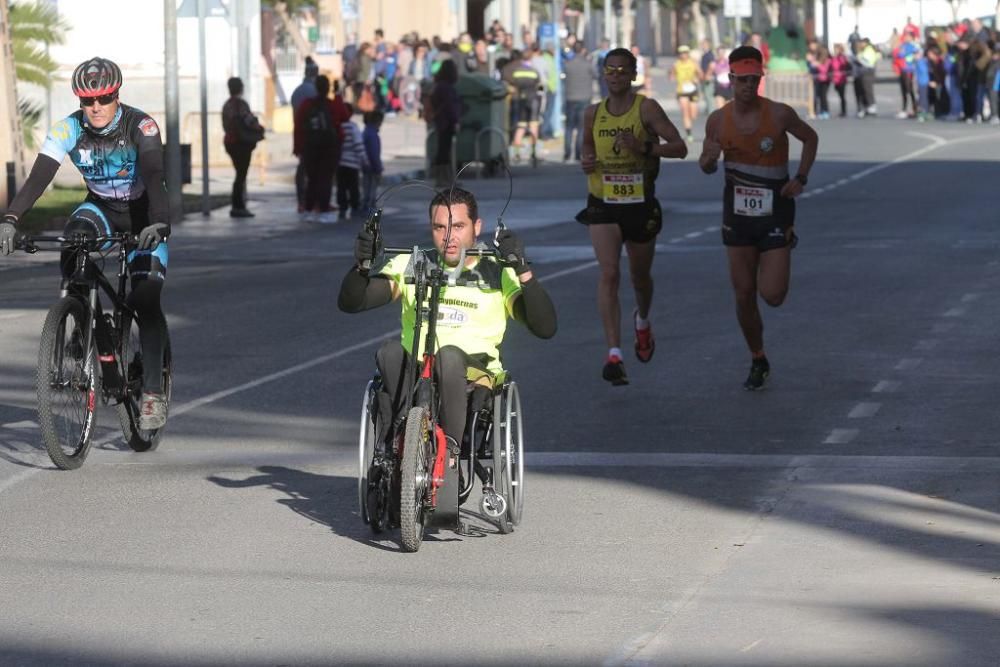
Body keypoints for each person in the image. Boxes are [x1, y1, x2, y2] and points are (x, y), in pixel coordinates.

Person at [0, 57, 171, 428]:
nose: (95, 107)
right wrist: (11, 219)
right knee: (73, 241)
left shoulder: (140, 124)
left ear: (116, 95)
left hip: (143, 214)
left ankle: (154, 393)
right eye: (86, 101)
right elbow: (38, 178)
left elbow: (155, 174)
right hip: (102, 209)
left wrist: (159, 222)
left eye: (104, 99)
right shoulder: (68, 129)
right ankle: (80, 316)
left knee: (145, 298)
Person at [337, 187, 557, 454]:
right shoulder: (413, 263)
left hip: (473, 376)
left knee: (448, 356)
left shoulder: (497, 272)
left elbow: (545, 328)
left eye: (459, 226)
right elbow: (353, 302)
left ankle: (450, 455)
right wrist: (362, 265)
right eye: (440, 227)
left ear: (477, 227)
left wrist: (521, 269)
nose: (448, 237)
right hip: (416, 375)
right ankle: (401, 441)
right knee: (388, 352)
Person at [698, 46, 818, 390]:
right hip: (736, 216)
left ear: (760, 79)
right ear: (731, 79)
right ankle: (757, 357)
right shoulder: (717, 120)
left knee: (773, 295)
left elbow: (810, 138)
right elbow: (706, 165)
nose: (748, 86)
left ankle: (784, 243)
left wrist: (802, 177)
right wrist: (708, 160)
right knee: (743, 294)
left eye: (754, 80)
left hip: (776, 210)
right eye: (742, 80)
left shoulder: (779, 114)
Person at [577, 47, 688, 386]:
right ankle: (614, 353)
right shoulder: (592, 114)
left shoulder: (647, 109)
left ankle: (642, 320)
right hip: (603, 201)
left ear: (633, 75)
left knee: (640, 277)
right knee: (609, 273)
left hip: (639, 203)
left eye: (622, 70)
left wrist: (645, 148)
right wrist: (587, 160)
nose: (615, 76)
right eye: (610, 70)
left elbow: (679, 147)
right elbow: (587, 147)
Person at [294, 75, 349, 223]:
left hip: (310, 147)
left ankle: (308, 209)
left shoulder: (306, 105)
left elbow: (298, 127)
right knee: (326, 179)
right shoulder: (332, 105)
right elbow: (345, 116)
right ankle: (324, 210)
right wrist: (337, 94)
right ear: (328, 88)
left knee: (312, 179)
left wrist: (298, 148)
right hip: (330, 148)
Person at [222, 77, 265, 218]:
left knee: (239, 174)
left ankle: (238, 205)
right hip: (241, 144)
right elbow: (250, 121)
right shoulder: (241, 105)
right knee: (241, 175)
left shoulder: (227, 105)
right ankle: (238, 206)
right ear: (240, 88)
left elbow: (225, 125)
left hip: (230, 143)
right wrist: (260, 129)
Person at [290, 57, 320, 217]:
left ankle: (301, 201)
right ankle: (311, 201)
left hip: (299, 133)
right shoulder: (313, 92)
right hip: (312, 135)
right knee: (312, 169)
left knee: (302, 167)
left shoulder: (297, 91)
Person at [502, 50, 543, 162]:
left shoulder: (517, 72)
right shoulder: (534, 72)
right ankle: (533, 153)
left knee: (521, 126)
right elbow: (540, 87)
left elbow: (513, 84)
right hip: (533, 100)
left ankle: (516, 153)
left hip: (521, 100)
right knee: (533, 126)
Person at [428, 59, 460, 186]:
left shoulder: (439, 85)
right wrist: (456, 120)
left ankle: (444, 178)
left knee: (443, 149)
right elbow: (450, 106)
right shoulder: (447, 87)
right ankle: (444, 179)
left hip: (441, 121)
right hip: (446, 122)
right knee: (444, 150)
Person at [563, 41, 595, 162]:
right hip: (585, 98)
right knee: (582, 127)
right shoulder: (588, 64)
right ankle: (578, 153)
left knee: (569, 127)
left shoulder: (568, 64)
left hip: (570, 98)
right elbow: (596, 75)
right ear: (583, 50)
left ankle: (567, 153)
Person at [337, 104, 368, 220]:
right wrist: (364, 160)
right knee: (353, 187)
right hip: (352, 164)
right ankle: (355, 207)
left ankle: (342, 207)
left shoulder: (338, 127)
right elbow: (358, 145)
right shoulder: (352, 127)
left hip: (340, 164)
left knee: (342, 187)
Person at [671, 45, 701, 141]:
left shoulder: (693, 63)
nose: (683, 55)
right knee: (685, 112)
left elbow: (701, 74)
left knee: (693, 114)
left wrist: (697, 79)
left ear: (688, 54)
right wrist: (672, 76)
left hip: (692, 90)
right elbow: (672, 76)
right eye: (681, 53)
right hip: (682, 91)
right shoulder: (676, 64)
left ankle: (689, 124)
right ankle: (689, 134)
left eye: (685, 53)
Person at [361, 110, 384, 215]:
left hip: (365, 165)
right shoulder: (372, 135)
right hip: (372, 166)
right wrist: (378, 167)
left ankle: (366, 205)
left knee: (366, 186)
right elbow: (374, 153)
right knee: (371, 188)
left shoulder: (365, 132)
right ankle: (369, 207)